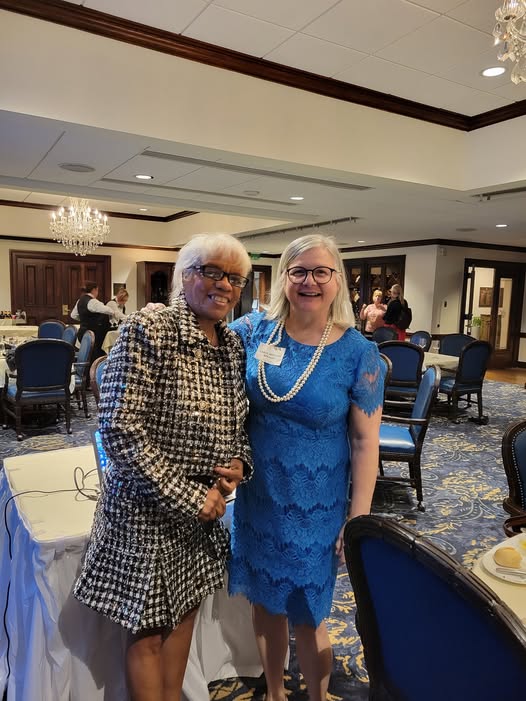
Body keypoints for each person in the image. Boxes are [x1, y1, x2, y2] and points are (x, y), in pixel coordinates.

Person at [73, 233, 253, 701]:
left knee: (185, 613)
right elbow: (120, 430)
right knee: (149, 630)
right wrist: (190, 497)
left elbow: (240, 421)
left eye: (235, 278)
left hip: (203, 516)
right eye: (213, 272)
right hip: (148, 510)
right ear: (185, 276)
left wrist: (239, 461)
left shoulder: (232, 343)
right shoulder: (150, 328)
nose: (225, 285)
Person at [228, 233, 385, 701]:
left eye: (321, 272)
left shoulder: (358, 353)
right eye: (298, 271)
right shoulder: (254, 331)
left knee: (308, 613)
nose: (309, 281)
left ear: (338, 281)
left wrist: (358, 517)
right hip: (260, 496)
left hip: (317, 504)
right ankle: (275, 691)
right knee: (265, 605)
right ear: (284, 278)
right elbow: (200, 343)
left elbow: (365, 442)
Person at [71, 281, 115, 359]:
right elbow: (110, 311)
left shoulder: (80, 300)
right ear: (94, 290)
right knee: (94, 356)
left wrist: (84, 319)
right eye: (97, 290)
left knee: (86, 355)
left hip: (82, 332)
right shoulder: (93, 301)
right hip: (94, 333)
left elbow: (73, 315)